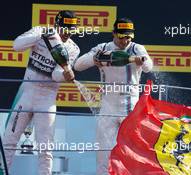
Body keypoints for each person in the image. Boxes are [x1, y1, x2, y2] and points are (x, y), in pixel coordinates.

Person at [3, 10, 80, 175]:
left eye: (71, 30)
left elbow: (55, 75)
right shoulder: (40, 30)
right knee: (9, 141)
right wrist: (43, 36)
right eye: (65, 28)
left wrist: (65, 74)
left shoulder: (73, 48)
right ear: (56, 25)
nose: (67, 33)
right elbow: (16, 45)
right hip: (26, 93)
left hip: (47, 99)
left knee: (45, 147)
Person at [74, 17, 153, 175]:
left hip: (130, 109)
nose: (125, 40)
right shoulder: (102, 47)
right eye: (121, 36)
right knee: (104, 153)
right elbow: (77, 65)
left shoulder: (137, 48)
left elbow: (148, 67)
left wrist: (141, 60)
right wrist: (95, 58)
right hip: (107, 108)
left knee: (131, 152)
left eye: (128, 37)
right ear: (113, 34)